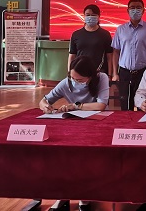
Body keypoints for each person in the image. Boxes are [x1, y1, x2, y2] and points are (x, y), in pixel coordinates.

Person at [38, 55, 110, 211]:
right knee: (64, 157)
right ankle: (63, 195)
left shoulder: (101, 78)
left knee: (87, 159)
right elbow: (44, 100)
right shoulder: (67, 83)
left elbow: (101, 105)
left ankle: (85, 196)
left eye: (80, 80)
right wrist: (45, 106)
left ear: (90, 76)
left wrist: (76, 106)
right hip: (73, 127)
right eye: (73, 78)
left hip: (97, 125)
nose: (75, 82)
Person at [111, 0, 146, 111]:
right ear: (127, 10)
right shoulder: (120, 29)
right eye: (132, 8)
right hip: (124, 72)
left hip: (143, 72)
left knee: (143, 105)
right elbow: (116, 51)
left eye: (138, 7)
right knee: (125, 105)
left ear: (143, 10)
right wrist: (115, 73)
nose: (135, 10)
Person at [69, 4, 113, 75]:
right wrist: (70, 73)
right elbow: (72, 56)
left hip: (99, 72)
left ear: (98, 16)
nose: (90, 17)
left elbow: (109, 57)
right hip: (80, 72)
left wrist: (110, 75)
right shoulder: (76, 34)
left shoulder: (105, 34)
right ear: (84, 16)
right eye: (88, 15)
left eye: (93, 15)